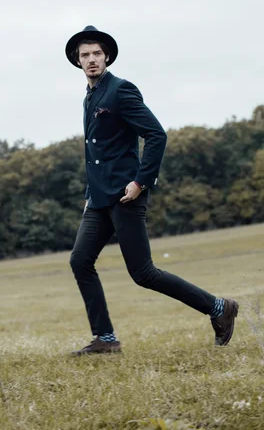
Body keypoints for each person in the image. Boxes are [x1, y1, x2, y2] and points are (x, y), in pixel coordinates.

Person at [65, 25, 238, 355]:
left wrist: (141, 181)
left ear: (107, 57)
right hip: (99, 200)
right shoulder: (90, 97)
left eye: (97, 53)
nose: (91, 59)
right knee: (80, 261)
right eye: (85, 55)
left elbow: (156, 135)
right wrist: (91, 194)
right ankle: (105, 338)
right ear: (77, 60)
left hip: (127, 195)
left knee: (143, 273)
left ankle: (219, 308)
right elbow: (95, 152)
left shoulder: (120, 90)